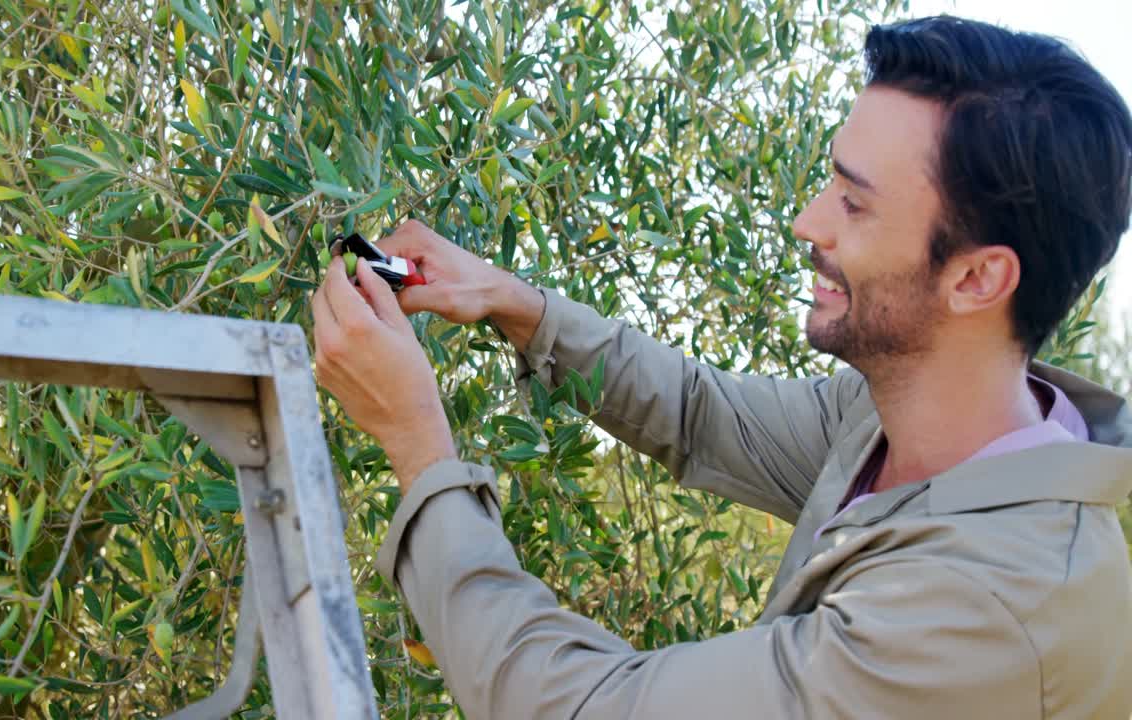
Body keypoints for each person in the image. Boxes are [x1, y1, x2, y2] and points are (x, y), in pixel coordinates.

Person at [310, 15, 1132, 719]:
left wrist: (418, 444)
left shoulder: (990, 610)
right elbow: (704, 416)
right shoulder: (888, 423)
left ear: (977, 279)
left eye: (854, 203)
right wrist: (511, 302)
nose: (807, 222)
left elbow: (579, 707)